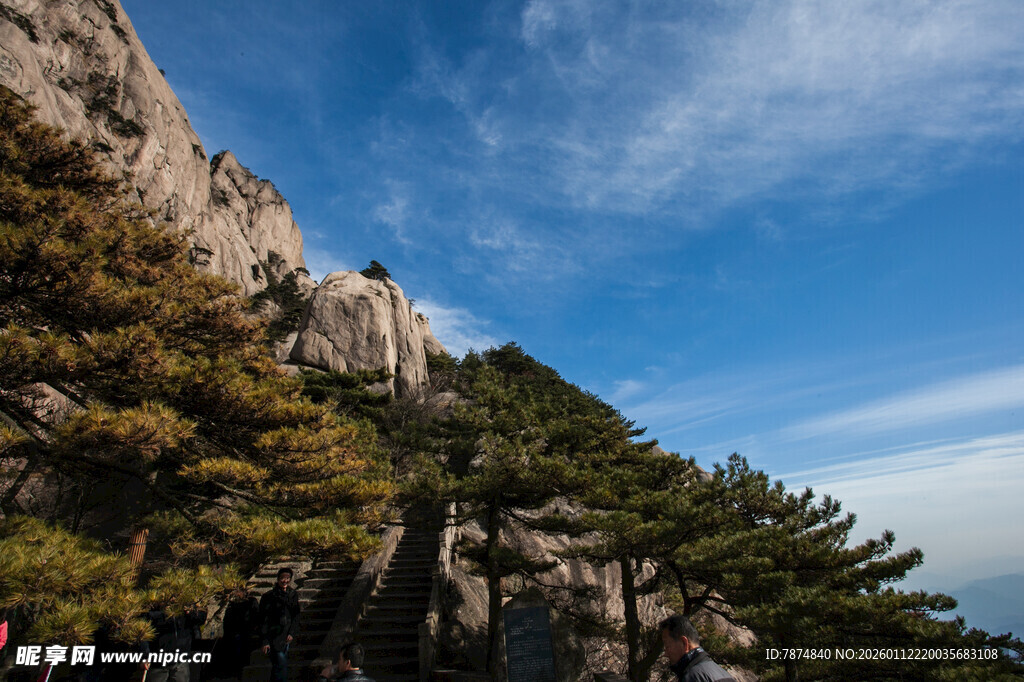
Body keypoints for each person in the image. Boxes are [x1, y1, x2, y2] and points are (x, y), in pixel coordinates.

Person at [659, 615, 735, 682]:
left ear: (684, 643)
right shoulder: (722, 673)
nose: (665, 654)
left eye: (667, 646)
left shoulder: (692, 676)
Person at [259, 568, 301, 682]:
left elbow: (296, 615)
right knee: (280, 664)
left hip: (286, 634)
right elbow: (263, 619)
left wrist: (292, 632)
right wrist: (265, 641)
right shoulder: (269, 597)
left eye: (287, 578)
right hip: (274, 635)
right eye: (282, 578)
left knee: (278, 666)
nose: (285, 581)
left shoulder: (292, 594)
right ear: (278, 579)